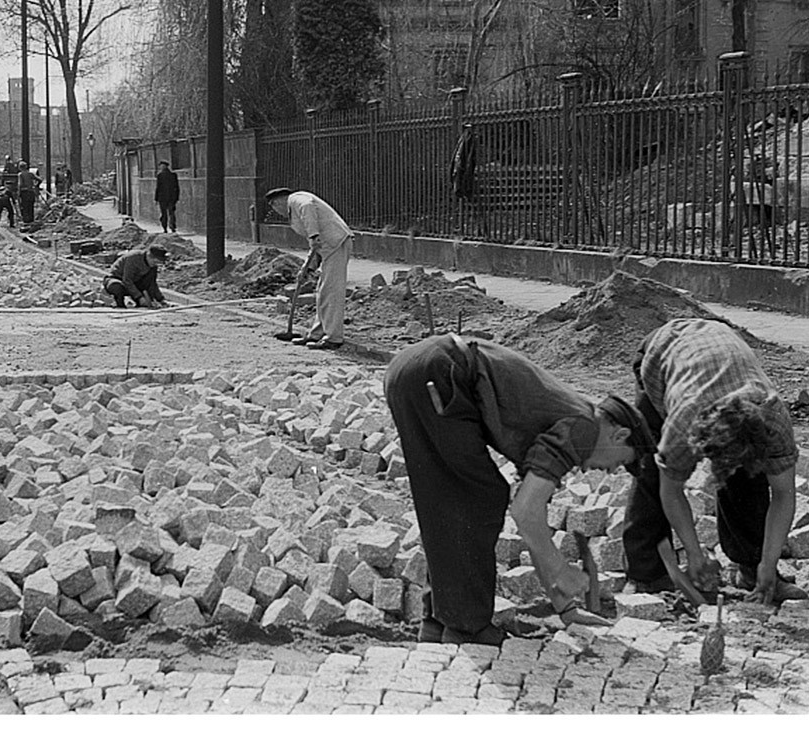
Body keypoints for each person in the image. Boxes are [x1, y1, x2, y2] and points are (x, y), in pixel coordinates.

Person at [384, 333, 655, 645]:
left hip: (423, 370)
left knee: (454, 500)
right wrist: (561, 568)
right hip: (440, 374)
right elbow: (525, 512)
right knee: (478, 497)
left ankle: (438, 623)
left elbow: (532, 519)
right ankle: (467, 629)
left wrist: (565, 609)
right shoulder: (583, 429)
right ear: (620, 435)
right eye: (619, 463)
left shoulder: (570, 417)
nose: (608, 471)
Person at [622, 318, 805, 604]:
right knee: (651, 470)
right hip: (662, 353)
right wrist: (694, 553)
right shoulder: (684, 423)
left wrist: (767, 564)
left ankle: (751, 569)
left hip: (719, 348)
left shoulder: (773, 420)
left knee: (749, 477)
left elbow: (783, 494)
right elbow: (671, 491)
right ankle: (645, 574)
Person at [266, 187, 353, 350]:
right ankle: (316, 334)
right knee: (322, 292)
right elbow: (315, 247)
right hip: (328, 248)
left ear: (277, 202)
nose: (276, 211)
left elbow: (308, 208)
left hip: (337, 244)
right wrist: (308, 268)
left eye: (274, 207)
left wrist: (313, 235)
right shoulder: (296, 210)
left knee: (331, 291)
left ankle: (334, 338)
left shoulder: (297, 199)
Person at [103, 245, 169, 309]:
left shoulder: (153, 265)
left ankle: (140, 305)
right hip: (116, 279)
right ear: (148, 256)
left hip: (134, 282)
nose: (155, 264)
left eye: (158, 262)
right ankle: (120, 306)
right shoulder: (133, 258)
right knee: (117, 287)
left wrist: (161, 300)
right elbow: (127, 280)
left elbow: (152, 284)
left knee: (146, 284)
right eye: (155, 261)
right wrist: (139, 297)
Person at [155, 161, 180, 233]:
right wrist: (177, 197)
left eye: (161, 166)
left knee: (164, 213)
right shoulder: (173, 175)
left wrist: (156, 198)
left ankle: (165, 228)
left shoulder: (160, 176)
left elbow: (158, 188)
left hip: (162, 198)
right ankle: (172, 227)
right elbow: (177, 187)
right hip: (172, 198)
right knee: (171, 213)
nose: (161, 167)